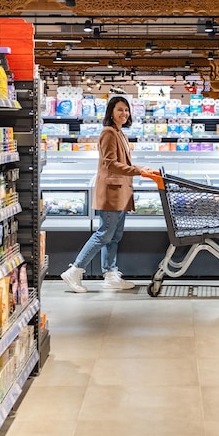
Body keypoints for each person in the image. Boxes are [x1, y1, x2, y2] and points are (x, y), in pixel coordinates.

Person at [61, 96, 151, 293]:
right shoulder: (108, 133)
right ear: (111, 112)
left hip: (121, 192)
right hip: (111, 191)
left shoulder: (121, 133)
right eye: (120, 109)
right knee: (104, 234)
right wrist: (138, 170)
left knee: (114, 236)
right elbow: (110, 164)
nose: (124, 113)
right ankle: (75, 270)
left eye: (126, 110)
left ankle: (110, 274)